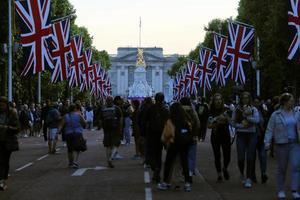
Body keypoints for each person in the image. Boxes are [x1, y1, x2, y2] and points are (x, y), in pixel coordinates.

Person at [264, 93, 300, 200]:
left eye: (293, 100)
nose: (293, 102)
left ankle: (294, 190)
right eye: (291, 100)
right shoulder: (276, 115)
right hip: (282, 144)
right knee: (282, 168)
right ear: (285, 102)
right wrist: (267, 142)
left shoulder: (297, 113)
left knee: (295, 166)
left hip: (295, 144)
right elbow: (270, 129)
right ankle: (280, 190)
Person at [157, 102, 193, 192]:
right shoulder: (185, 120)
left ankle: (166, 182)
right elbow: (190, 130)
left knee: (168, 163)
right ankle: (187, 183)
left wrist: (165, 140)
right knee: (184, 164)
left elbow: (166, 135)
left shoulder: (170, 121)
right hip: (184, 144)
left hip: (174, 144)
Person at [232, 91, 259, 188]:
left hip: (252, 134)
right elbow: (233, 122)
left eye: (247, 98)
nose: (245, 99)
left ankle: (249, 178)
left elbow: (257, 120)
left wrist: (248, 116)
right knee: (241, 158)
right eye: (243, 98)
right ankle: (242, 173)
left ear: (249, 99)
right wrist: (241, 126)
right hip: (241, 135)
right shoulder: (237, 109)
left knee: (250, 157)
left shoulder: (253, 109)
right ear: (241, 99)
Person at [145, 93, 169, 183]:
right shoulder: (166, 109)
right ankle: (157, 170)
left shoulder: (150, 108)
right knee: (158, 154)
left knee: (152, 153)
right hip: (162, 134)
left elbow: (145, 120)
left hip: (152, 134)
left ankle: (155, 168)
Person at [208, 93, 231, 182]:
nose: (218, 101)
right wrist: (218, 122)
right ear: (213, 101)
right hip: (215, 136)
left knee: (227, 156)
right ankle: (219, 174)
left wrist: (226, 119)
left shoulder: (226, 109)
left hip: (226, 135)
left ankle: (225, 168)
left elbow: (231, 120)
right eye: (216, 99)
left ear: (222, 100)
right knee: (217, 156)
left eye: (219, 99)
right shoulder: (211, 111)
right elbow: (209, 125)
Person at [0, 97, 20, 190]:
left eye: (2, 105)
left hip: (7, 140)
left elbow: (17, 128)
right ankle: (1, 179)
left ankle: (3, 179)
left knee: (4, 161)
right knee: (1, 161)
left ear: (6, 105)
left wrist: (6, 128)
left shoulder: (13, 113)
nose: (1, 107)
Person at [61, 103, 86, 168]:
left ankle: (70, 163)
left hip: (68, 133)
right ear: (75, 109)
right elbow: (84, 123)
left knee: (70, 149)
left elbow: (61, 125)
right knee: (77, 148)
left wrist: (57, 132)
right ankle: (75, 161)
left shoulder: (66, 116)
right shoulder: (79, 115)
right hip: (78, 133)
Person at [100, 96, 123, 168]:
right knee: (116, 144)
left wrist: (102, 127)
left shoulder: (103, 109)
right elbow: (120, 119)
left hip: (106, 129)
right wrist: (120, 128)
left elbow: (100, 119)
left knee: (107, 146)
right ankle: (111, 158)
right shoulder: (117, 108)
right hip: (115, 128)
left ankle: (108, 160)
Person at [180, 97, 200, 176]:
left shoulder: (179, 111)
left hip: (181, 136)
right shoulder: (193, 111)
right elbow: (198, 124)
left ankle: (184, 171)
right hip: (192, 136)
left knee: (182, 155)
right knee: (191, 156)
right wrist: (196, 134)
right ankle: (190, 172)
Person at [252, 97, 268, 184]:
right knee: (252, 157)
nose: (256, 104)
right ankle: (252, 174)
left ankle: (263, 173)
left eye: (257, 102)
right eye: (254, 102)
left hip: (261, 137)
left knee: (263, 156)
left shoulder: (263, 111)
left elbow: (266, 123)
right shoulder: (250, 111)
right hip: (253, 137)